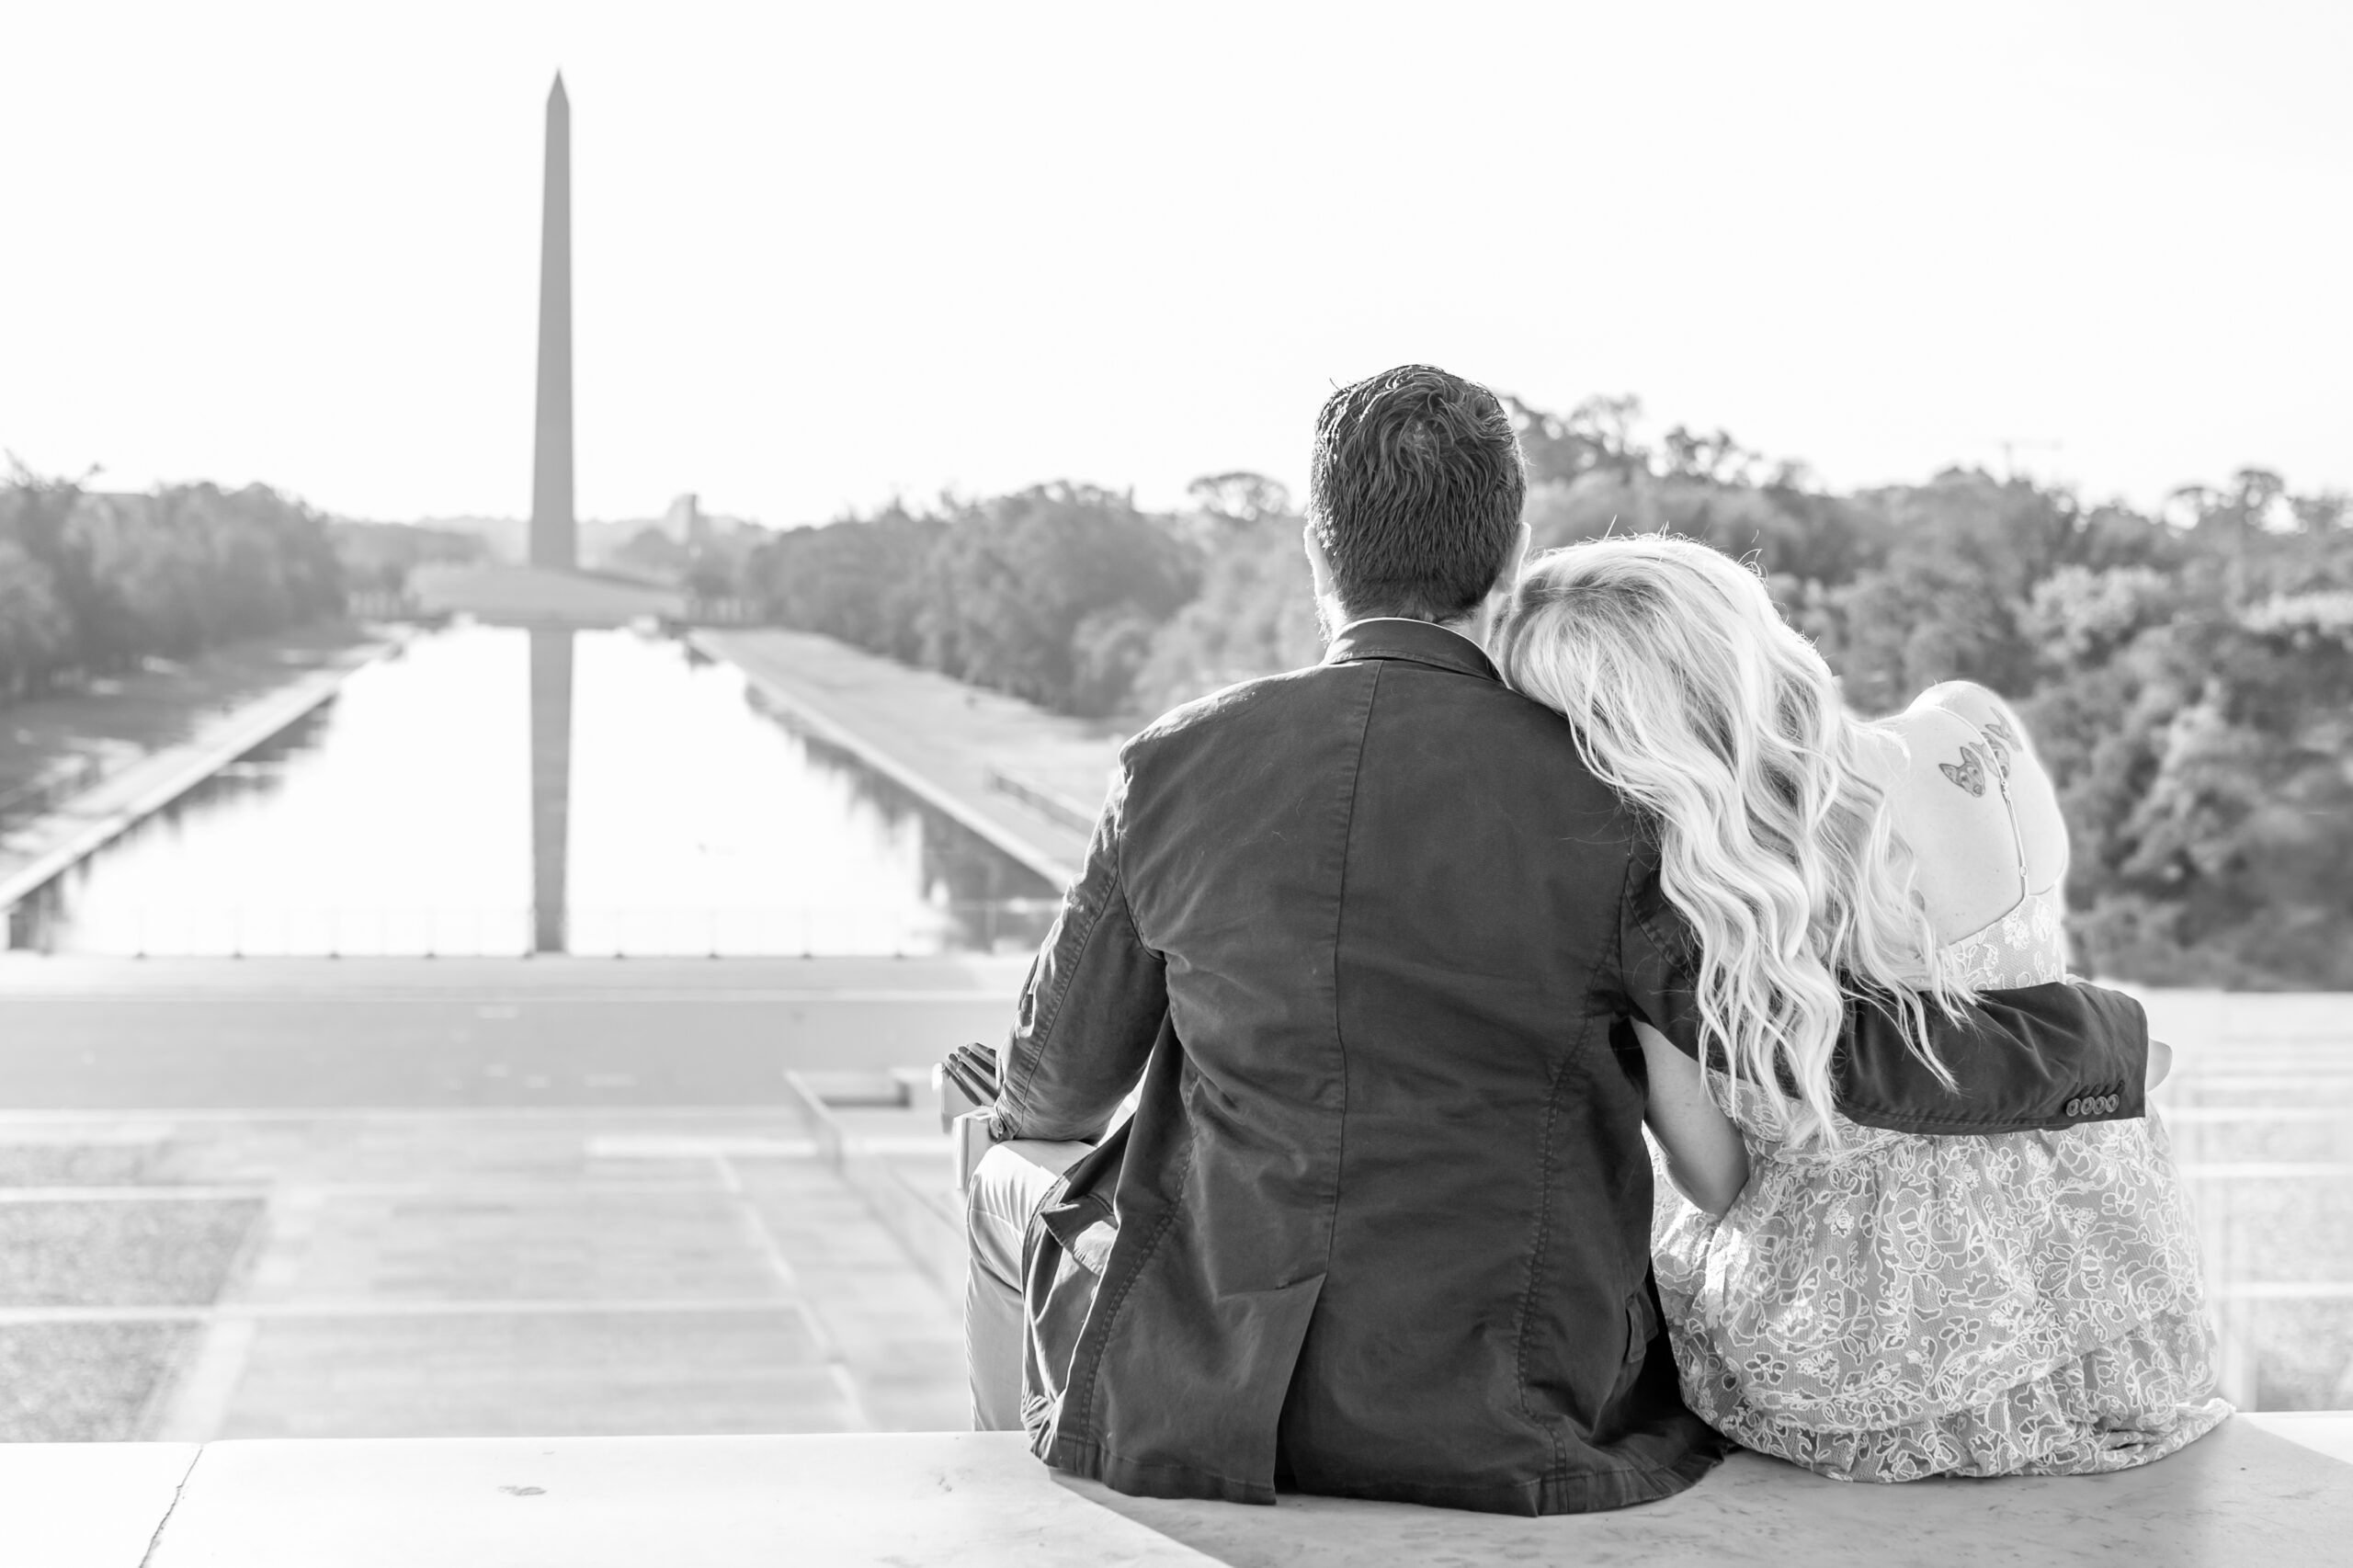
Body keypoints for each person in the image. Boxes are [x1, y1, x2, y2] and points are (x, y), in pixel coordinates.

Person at [964, 364, 2155, 1515]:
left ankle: (988, 1502)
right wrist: (2114, 1036)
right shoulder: (1613, 791)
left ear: (1315, 551)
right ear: (1513, 548)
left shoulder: (1171, 762)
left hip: (1196, 1403)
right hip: (1520, 1418)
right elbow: (1847, 1053)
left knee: (1005, 1165)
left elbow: (1055, 1081)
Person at [1493, 533, 2228, 1482]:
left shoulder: (1720, 892)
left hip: (1866, 1353)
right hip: (2104, 1310)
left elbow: (1715, 1184)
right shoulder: (1971, 722)